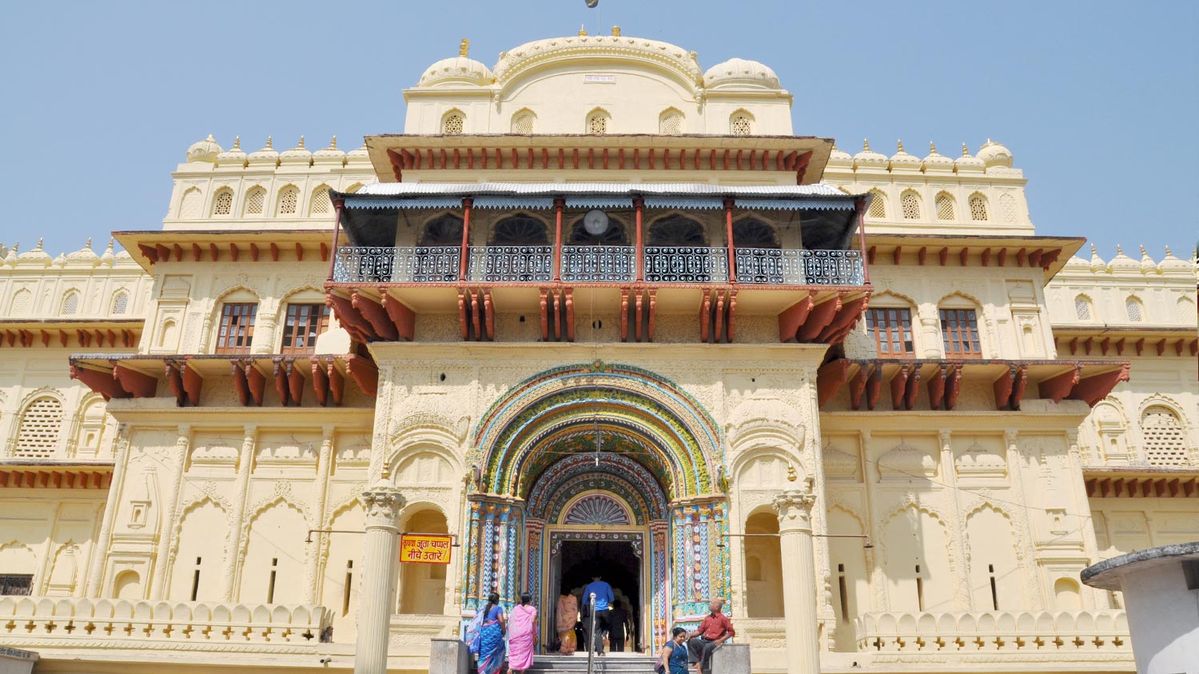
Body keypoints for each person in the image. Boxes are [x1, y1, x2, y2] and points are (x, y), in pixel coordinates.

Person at [687, 598, 735, 674]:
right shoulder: (707, 618)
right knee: (691, 641)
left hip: (715, 642)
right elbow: (700, 631)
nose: (709, 605)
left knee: (707, 647)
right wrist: (690, 635)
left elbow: (731, 632)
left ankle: (701, 667)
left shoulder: (723, 618)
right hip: (705, 640)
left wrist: (721, 640)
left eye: (711, 603)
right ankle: (696, 662)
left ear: (716, 607)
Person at [464, 592, 506, 674]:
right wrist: (503, 630)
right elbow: (501, 620)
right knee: (499, 650)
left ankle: (482, 671)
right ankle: (493, 671)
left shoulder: (483, 609)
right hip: (494, 633)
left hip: (483, 633)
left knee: (483, 653)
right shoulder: (498, 608)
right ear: (497, 600)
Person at [581, 575, 614, 656]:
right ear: (600, 577)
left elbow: (584, 601)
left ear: (592, 578)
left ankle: (600, 652)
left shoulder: (589, 586)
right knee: (609, 623)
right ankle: (605, 632)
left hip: (595, 611)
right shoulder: (606, 585)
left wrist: (590, 603)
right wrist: (605, 600)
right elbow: (612, 598)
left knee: (597, 631)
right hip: (605, 610)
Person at [508, 593, 537, 674]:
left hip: (515, 633)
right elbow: (532, 621)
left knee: (515, 651)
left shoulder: (516, 609)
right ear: (530, 600)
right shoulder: (532, 609)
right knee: (524, 652)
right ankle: (522, 670)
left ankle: (511, 668)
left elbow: (511, 620)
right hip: (526, 633)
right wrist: (534, 633)